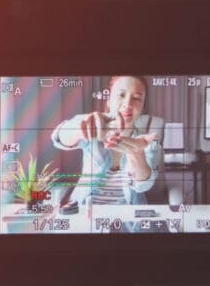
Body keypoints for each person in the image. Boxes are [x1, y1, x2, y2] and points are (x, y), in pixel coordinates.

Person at [51, 76, 162, 207]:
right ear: (109, 101)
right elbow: (59, 138)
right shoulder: (93, 132)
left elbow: (143, 186)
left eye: (136, 98)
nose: (128, 104)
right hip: (86, 215)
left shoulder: (148, 144)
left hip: (130, 221)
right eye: (121, 95)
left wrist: (136, 154)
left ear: (143, 107)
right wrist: (79, 127)